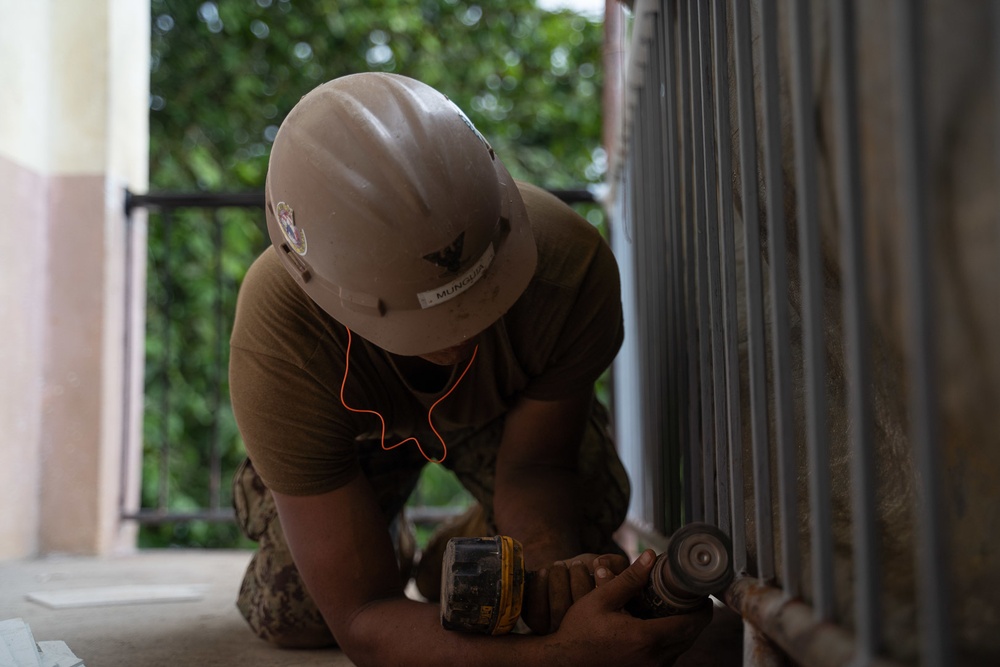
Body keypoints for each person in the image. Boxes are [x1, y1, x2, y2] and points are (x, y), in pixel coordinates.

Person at [228, 72, 710, 666]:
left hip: (504, 421)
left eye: (481, 293)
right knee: (297, 613)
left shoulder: (570, 268)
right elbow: (360, 617)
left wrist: (551, 573)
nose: (462, 333)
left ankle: (460, 552)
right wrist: (558, 657)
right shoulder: (279, 338)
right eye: (424, 320)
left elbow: (537, 466)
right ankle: (386, 534)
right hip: (349, 447)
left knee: (588, 516)